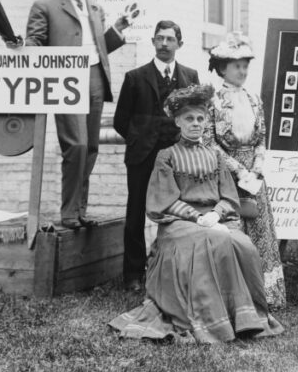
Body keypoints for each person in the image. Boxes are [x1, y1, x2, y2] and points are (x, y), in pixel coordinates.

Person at [108, 84, 284, 343]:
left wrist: (216, 213)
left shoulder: (215, 156)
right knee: (212, 240)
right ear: (178, 121)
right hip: (178, 223)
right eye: (189, 118)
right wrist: (197, 217)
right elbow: (163, 200)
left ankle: (244, 317)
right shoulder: (166, 156)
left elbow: (229, 197)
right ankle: (212, 319)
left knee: (242, 243)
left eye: (200, 119)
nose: (196, 124)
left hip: (214, 219)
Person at [17, 0, 135, 228]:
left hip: (95, 78)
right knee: (77, 146)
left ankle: (80, 211)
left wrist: (118, 30)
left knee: (92, 147)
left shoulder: (95, 9)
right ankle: (68, 212)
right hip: (65, 81)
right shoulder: (45, 5)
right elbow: (34, 42)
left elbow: (99, 47)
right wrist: (24, 49)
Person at [113, 21, 200, 292]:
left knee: (184, 208)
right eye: (159, 38)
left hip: (179, 156)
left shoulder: (190, 76)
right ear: (152, 42)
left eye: (170, 39)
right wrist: (142, 138)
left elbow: (195, 115)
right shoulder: (135, 77)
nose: (164, 44)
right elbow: (120, 121)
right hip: (142, 156)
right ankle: (133, 274)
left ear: (179, 44)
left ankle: (180, 268)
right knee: (136, 212)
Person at [203, 33, 287, 309]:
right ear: (222, 67)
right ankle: (233, 296)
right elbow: (208, 142)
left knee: (260, 230)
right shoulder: (212, 101)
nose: (242, 70)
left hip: (255, 176)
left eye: (245, 65)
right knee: (233, 229)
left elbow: (262, 137)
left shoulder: (254, 99)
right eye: (237, 65)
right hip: (227, 176)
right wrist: (238, 170)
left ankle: (266, 295)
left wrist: (258, 168)